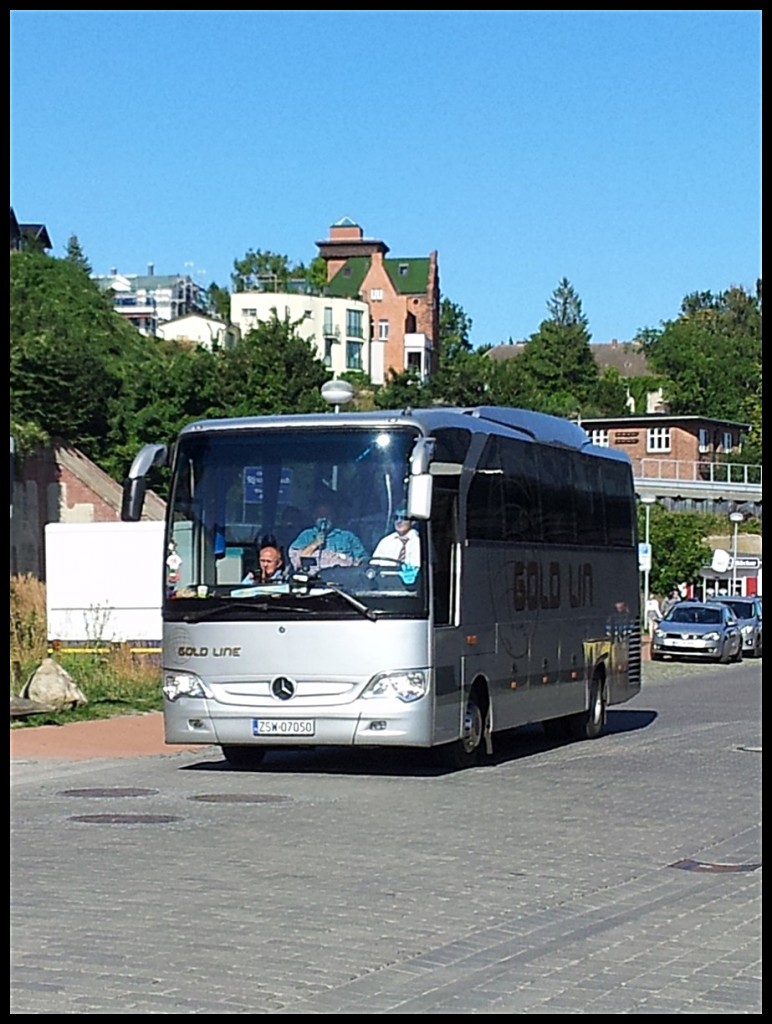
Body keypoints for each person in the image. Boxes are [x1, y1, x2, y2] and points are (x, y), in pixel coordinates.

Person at [288, 498, 367, 570]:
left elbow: (363, 562)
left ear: (333, 516)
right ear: (314, 516)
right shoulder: (306, 536)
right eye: (320, 516)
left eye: (327, 515)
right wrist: (314, 543)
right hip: (313, 579)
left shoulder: (347, 537)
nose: (324, 519)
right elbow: (296, 561)